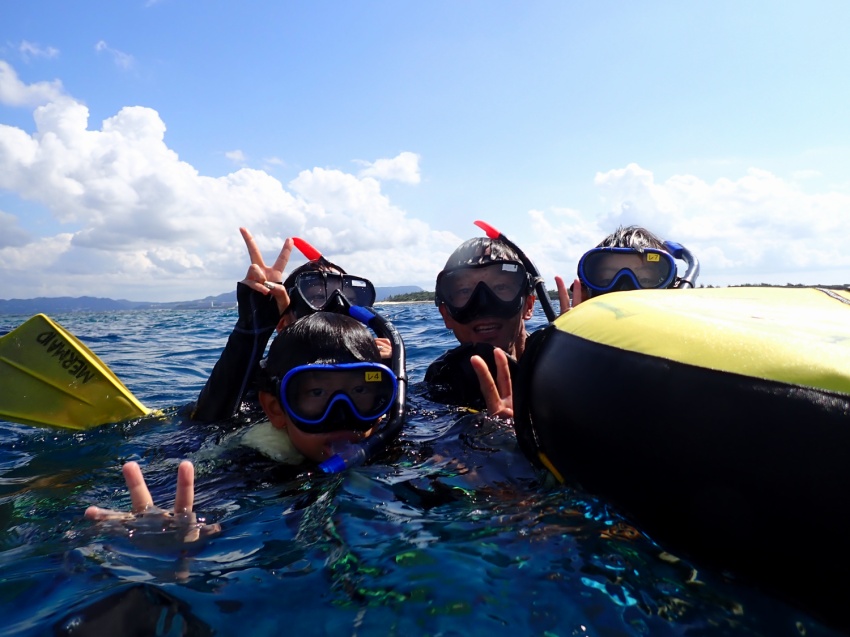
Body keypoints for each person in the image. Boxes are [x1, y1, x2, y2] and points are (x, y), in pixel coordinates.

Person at [85, 309, 407, 531]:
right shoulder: (251, 467)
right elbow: (192, 511)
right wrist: (169, 529)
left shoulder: (405, 444)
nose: (341, 414)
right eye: (317, 393)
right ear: (276, 410)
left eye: (362, 391)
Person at [472, 225, 699, 418]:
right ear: (587, 293)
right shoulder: (559, 362)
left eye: (647, 279)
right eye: (607, 278)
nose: (624, 289)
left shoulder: (691, 361)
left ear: (673, 290)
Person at [190, 228, 390, 423]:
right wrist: (252, 330)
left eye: (349, 300)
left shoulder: (381, 369)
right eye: (318, 298)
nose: (337, 308)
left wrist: (391, 369)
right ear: (283, 323)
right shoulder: (261, 380)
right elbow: (208, 423)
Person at [424, 235, 538, 407]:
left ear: (528, 305)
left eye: (501, 287)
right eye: (464, 291)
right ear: (446, 315)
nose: (483, 304)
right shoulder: (441, 379)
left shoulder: (558, 364)